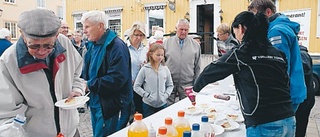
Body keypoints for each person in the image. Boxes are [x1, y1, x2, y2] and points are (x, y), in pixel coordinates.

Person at [192, 11, 295, 137]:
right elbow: (285, 81)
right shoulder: (277, 53)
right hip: (289, 118)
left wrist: (195, 90)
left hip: (264, 122)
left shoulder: (242, 52)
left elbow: (212, 70)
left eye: (234, 31)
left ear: (241, 28)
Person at [0, 9, 86, 137]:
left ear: (57, 36)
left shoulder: (65, 43)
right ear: (22, 34)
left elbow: (77, 74)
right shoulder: (8, 61)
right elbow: (7, 113)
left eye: (48, 46)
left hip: (70, 132)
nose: (41, 51)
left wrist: (77, 90)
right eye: (34, 46)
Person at [248, 0, 306, 112]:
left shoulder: (276, 31)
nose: (254, 21)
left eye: (255, 15)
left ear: (268, 12)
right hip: (290, 91)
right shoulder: (279, 27)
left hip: (284, 94)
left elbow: (277, 66)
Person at [81, 10, 132, 136]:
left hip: (109, 105)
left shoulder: (116, 46)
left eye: (87, 27)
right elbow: (88, 71)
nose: (84, 31)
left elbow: (117, 79)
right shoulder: (93, 45)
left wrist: (89, 84)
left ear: (100, 26)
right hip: (94, 99)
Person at [116, 21, 149, 131]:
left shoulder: (145, 49)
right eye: (136, 35)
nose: (138, 38)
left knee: (139, 114)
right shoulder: (124, 47)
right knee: (125, 115)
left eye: (141, 35)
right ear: (131, 34)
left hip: (140, 87)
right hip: (127, 86)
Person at [163, 18, 201, 105]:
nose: (183, 32)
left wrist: (196, 82)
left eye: (186, 30)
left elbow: (197, 65)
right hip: (169, 82)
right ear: (176, 28)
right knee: (168, 107)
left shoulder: (195, 45)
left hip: (187, 83)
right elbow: (162, 63)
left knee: (187, 106)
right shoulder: (167, 43)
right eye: (181, 29)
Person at [133, 43, 174, 117]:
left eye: (162, 55)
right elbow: (136, 86)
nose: (160, 57)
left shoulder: (165, 69)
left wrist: (165, 95)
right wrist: (146, 95)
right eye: (158, 55)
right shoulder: (145, 69)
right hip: (148, 105)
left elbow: (170, 85)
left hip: (163, 104)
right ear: (151, 54)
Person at [295, 45, 315, 137]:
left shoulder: (301, 54)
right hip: (305, 99)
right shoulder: (301, 53)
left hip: (304, 100)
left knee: (300, 127)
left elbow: (304, 70)